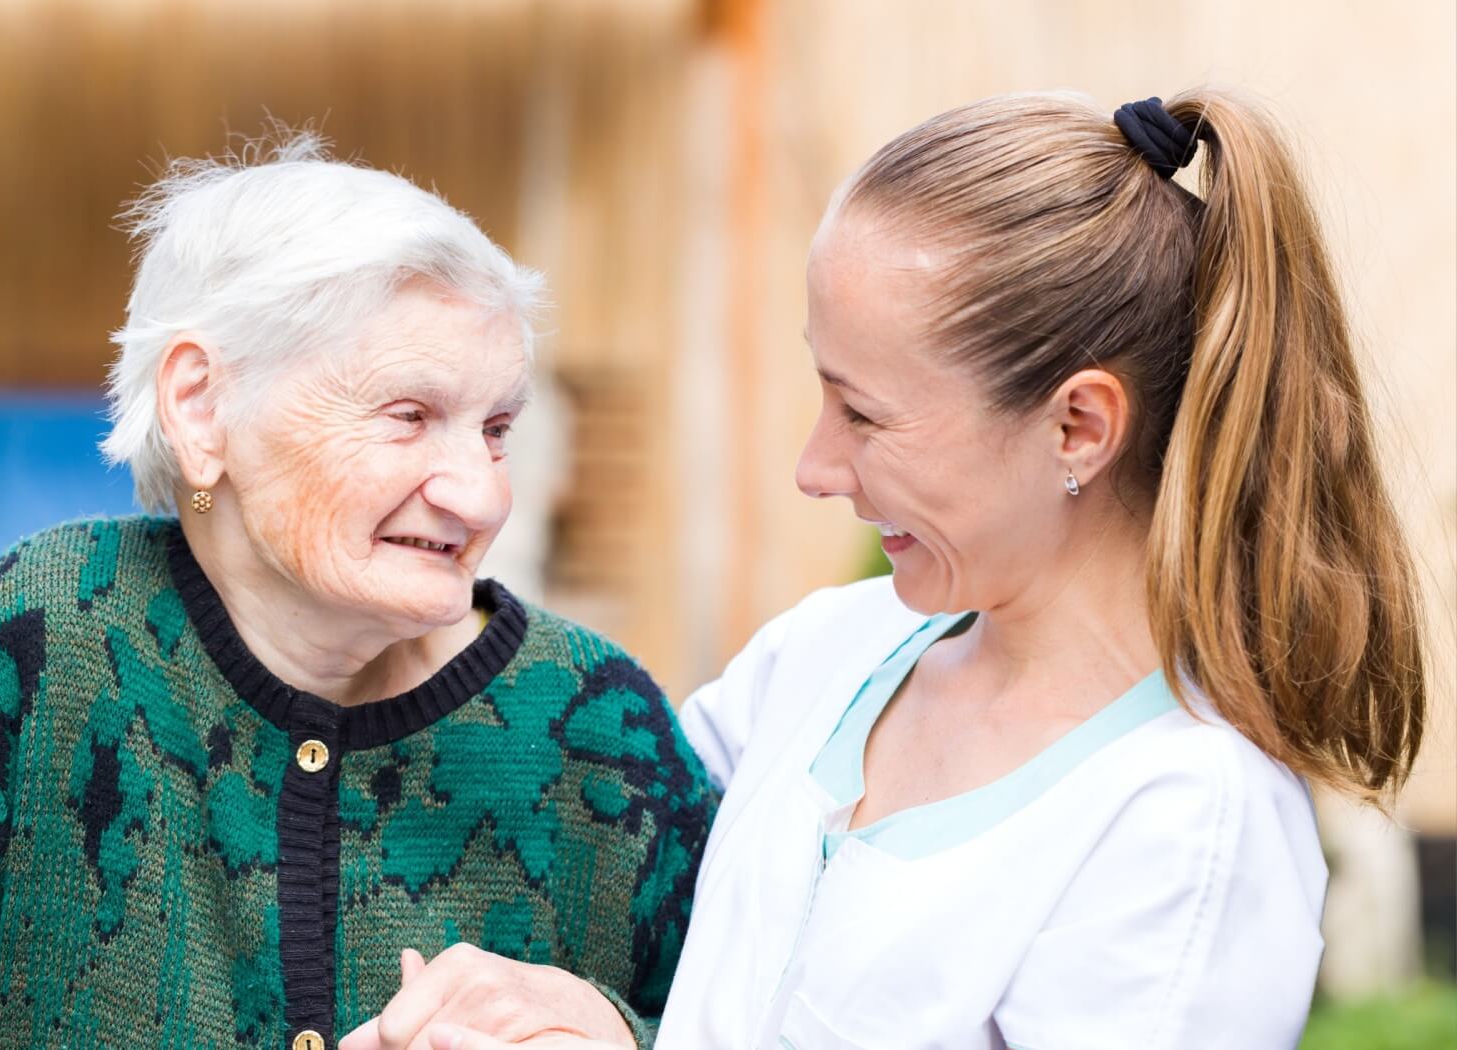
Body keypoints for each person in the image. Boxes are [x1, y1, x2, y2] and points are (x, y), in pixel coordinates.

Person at [355, 90, 1427, 1050]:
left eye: (864, 414)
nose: (814, 467)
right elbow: (627, 891)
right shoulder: (825, 653)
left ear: (1079, 429)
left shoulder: (1183, 824)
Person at [0, 135, 714, 1049]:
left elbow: (749, 1020)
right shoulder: (39, 635)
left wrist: (619, 1038)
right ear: (202, 405)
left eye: (497, 429)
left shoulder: (600, 729)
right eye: (409, 416)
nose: (482, 494)